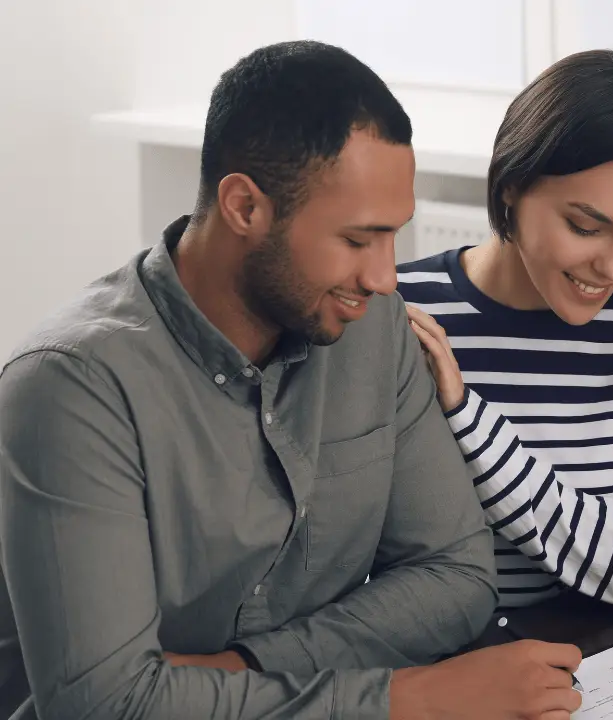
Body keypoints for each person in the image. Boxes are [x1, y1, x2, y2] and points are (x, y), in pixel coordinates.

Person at [0, 40, 582, 719]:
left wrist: (242, 671)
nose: (385, 277)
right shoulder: (70, 391)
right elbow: (108, 707)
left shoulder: (374, 328)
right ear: (245, 206)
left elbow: (457, 578)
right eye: (358, 240)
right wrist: (401, 699)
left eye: (393, 236)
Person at [399, 49, 613, 614]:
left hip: (597, 669)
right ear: (511, 187)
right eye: (586, 226)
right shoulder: (403, 315)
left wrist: (467, 420)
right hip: (439, 669)